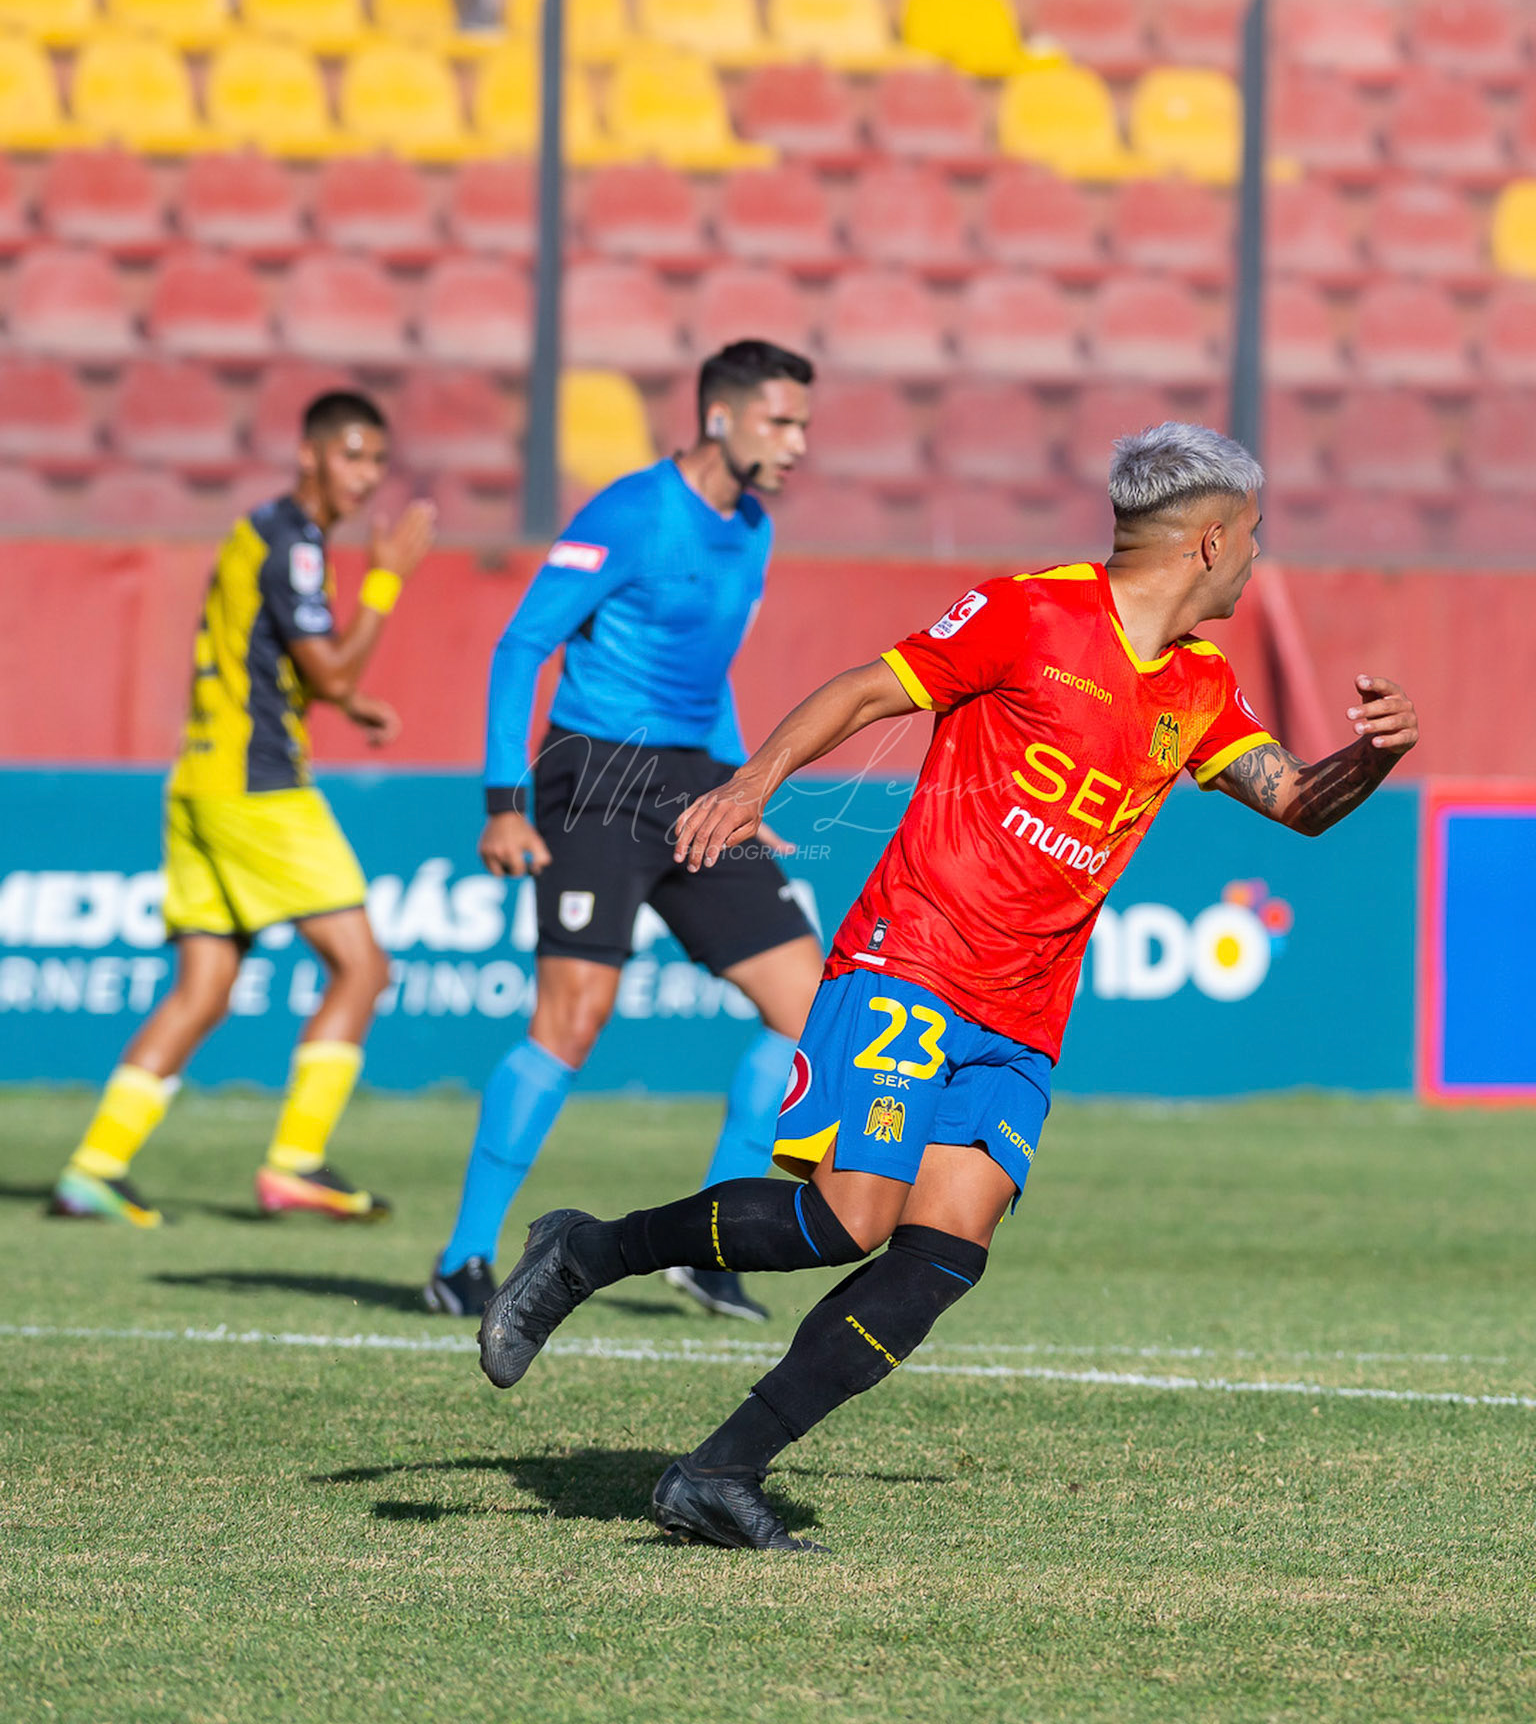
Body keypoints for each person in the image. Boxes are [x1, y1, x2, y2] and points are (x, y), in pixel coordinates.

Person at [475, 421, 1420, 1554]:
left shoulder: (1202, 685)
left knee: (940, 1255)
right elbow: (868, 689)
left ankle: (719, 1471)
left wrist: (1376, 755)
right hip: (912, 959)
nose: (1259, 557)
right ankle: (589, 1249)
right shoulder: (1031, 612)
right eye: (1255, 537)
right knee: (844, 1217)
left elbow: (1300, 802)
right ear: (1208, 542)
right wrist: (751, 780)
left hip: (1023, 1015)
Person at [423, 342, 825, 1327]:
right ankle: (465, 1254)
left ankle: (711, 1246)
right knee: (573, 1018)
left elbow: (709, 671)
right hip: (593, 771)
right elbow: (523, 641)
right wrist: (503, 802)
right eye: (782, 421)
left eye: (804, 424)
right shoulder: (631, 510)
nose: (798, 442)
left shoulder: (755, 527)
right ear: (721, 416)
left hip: (691, 782)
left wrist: (741, 788)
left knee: (807, 1002)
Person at [50, 392, 436, 1230]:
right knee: (363, 967)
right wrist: (385, 583)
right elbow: (328, 671)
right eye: (353, 456)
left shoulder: (262, 534)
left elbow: (280, 667)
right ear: (310, 454)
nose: (366, 477)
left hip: (196, 781)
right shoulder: (293, 545)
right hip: (255, 788)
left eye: (377, 461)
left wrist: (345, 702)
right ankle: (296, 1162)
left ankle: (93, 1169)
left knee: (205, 987)